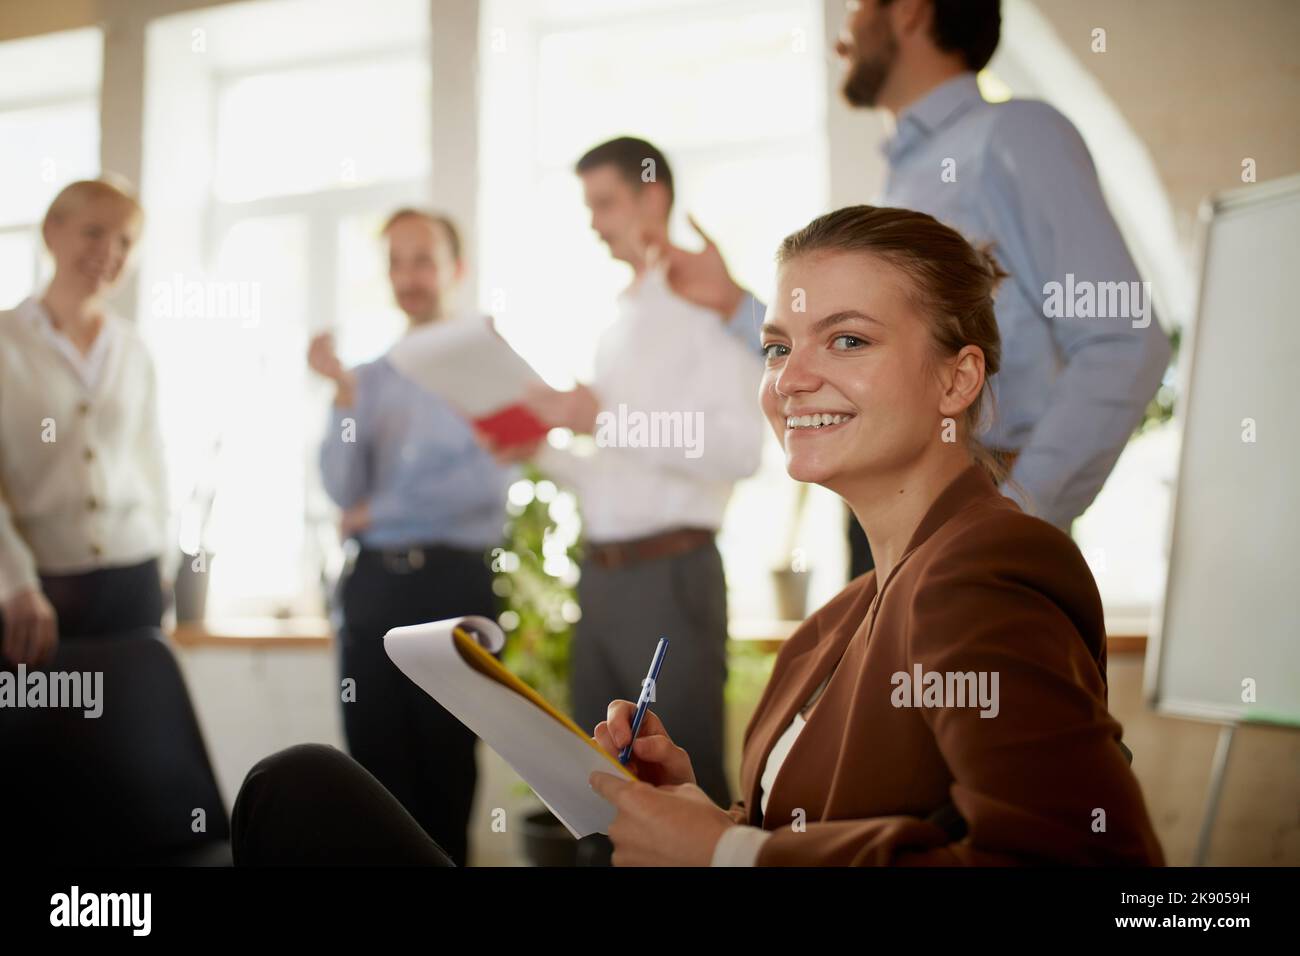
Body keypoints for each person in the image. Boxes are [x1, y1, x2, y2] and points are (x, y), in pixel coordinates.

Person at [228, 206, 1164, 867]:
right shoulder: (843, 615)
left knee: (300, 792)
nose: (791, 378)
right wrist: (698, 813)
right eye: (775, 345)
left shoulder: (986, 569)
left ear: (958, 382)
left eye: (847, 341)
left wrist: (728, 851)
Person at [665, 0, 1173, 576]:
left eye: (855, 8)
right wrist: (736, 304)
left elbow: (1125, 340)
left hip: (965, 506)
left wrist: (1013, 514)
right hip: (892, 519)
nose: (840, 39)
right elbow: (870, 333)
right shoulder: (911, 170)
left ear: (909, 11)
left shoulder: (1016, 135)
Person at [510, 137, 766, 813]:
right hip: (603, 581)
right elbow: (612, 482)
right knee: (597, 787)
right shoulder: (622, 321)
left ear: (653, 196)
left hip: (670, 584)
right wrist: (534, 447)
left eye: (606, 203)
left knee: (681, 788)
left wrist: (603, 419)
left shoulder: (707, 306)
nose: (594, 223)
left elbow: (740, 450)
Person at [308, 209, 512, 867]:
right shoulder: (368, 378)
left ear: (455, 268)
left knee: (447, 771)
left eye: (422, 259)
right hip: (372, 589)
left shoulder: (486, 365)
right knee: (373, 775)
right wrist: (341, 398)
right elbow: (342, 491)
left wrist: (378, 509)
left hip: (454, 585)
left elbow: (480, 488)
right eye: (396, 262)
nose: (408, 277)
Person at [0, 177, 167, 665]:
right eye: (94, 232)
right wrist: (12, 581)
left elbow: (151, 460)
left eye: (124, 242)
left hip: (133, 578)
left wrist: (163, 565)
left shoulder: (133, 349)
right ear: (52, 232)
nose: (109, 251)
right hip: (35, 592)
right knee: (37, 734)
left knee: (132, 731)